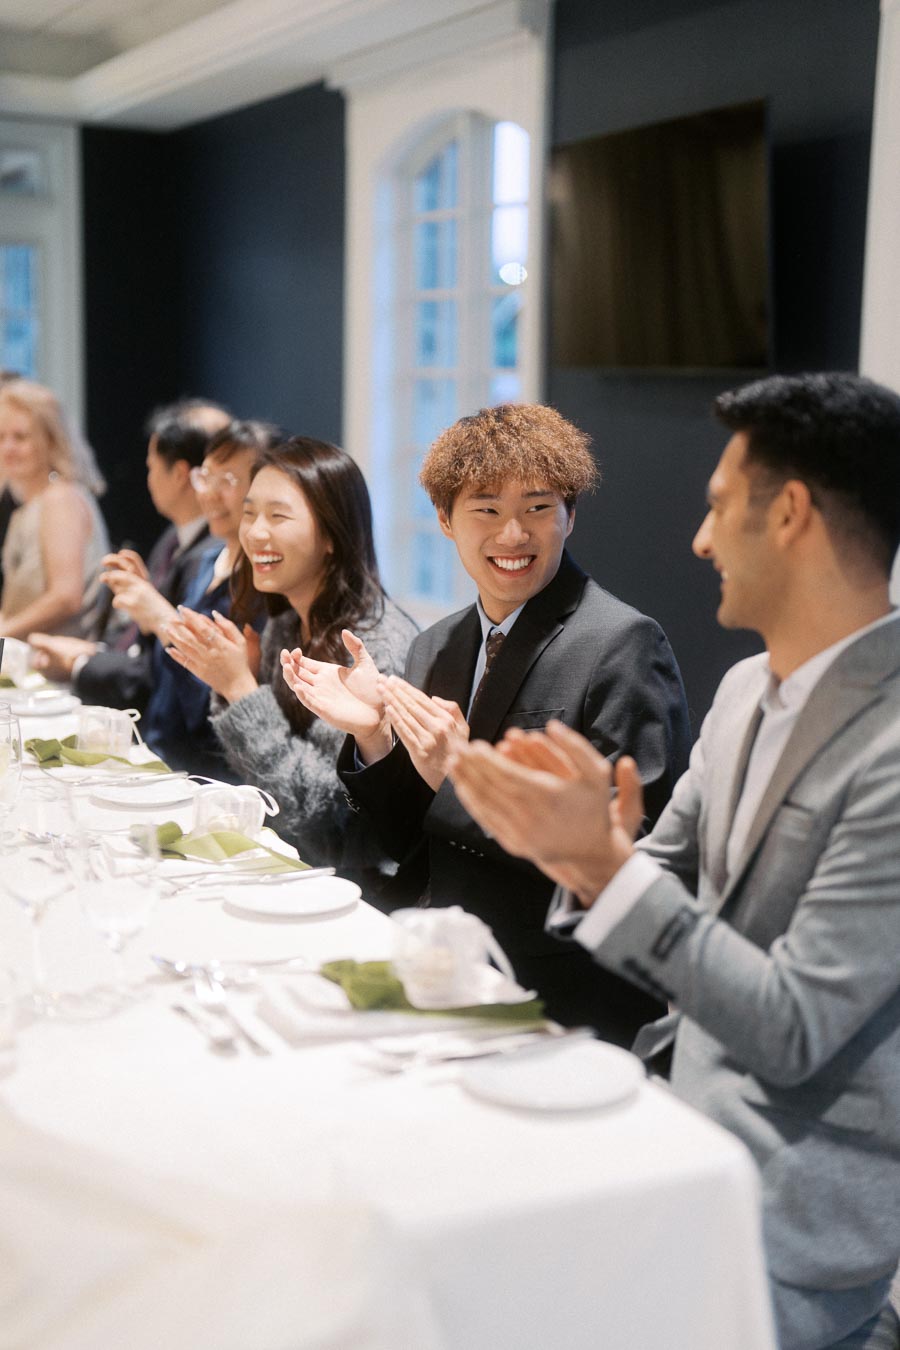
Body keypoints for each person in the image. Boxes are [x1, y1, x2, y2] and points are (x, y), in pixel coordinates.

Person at [449, 373, 900, 1350]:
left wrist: (604, 870)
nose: (699, 541)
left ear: (790, 514)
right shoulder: (743, 691)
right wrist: (581, 852)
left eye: (718, 507)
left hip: (792, 1216)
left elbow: (794, 1026)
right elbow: (653, 866)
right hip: (670, 1117)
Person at [283, 402, 691, 1044]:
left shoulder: (622, 643)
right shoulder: (435, 645)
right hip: (439, 956)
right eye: (487, 510)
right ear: (446, 520)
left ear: (570, 515)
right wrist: (373, 737)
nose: (513, 535)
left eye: (538, 507)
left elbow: (628, 850)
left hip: (553, 985)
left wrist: (462, 775)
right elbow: (407, 839)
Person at [165, 436, 417, 883]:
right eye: (249, 513)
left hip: (359, 891)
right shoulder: (285, 625)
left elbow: (331, 828)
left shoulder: (373, 649)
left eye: (278, 516)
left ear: (332, 537)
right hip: (287, 866)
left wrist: (241, 691)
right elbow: (267, 791)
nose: (255, 533)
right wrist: (240, 682)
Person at [28, 399, 229, 708]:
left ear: (179, 474)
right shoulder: (173, 538)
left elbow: (178, 673)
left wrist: (80, 662)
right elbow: (144, 644)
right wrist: (92, 652)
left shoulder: (211, 554)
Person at [140, 420, 273, 776]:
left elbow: (210, 710)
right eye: (206, 476)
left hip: (208, 779)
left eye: (227, 480)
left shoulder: (265, 584)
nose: (209, 494)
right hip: (157, 757)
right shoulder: (204, 561)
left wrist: (164, 621)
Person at [0, 379, 109, 640]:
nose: (8, 448)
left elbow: (65, 597)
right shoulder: (30, 505)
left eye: (20, 437)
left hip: (59, 656)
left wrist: (3, 632)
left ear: (49, 440)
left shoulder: (60, 498)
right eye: (1, 437)